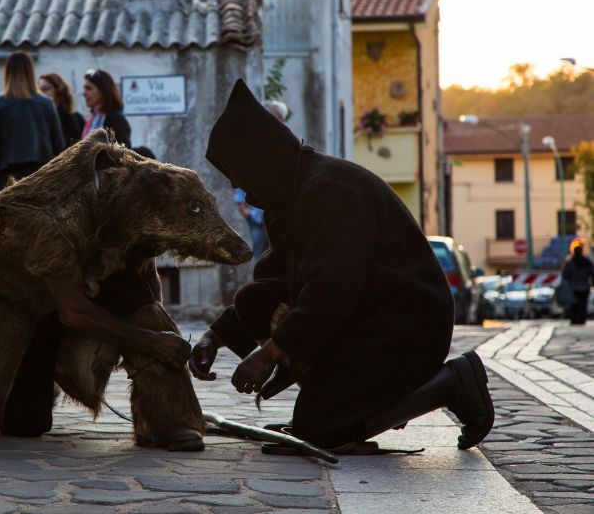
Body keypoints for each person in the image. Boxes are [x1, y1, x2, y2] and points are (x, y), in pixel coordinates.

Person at [189, 80, 495, 452]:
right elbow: (275, 286)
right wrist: (215, 337)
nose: (240, 187)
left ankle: (452, 381)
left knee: (320, 430)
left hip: (406, 328)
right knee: (256, 300)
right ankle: (342, 400)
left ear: (262, 161)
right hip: (364, 320)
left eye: (240, 175)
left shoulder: (330, 192)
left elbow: (330, 293)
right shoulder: (288, 202)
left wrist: (270, 353)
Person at [0, 52, 65, 230]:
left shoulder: (0, 104)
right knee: (39, 234)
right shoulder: (46, 103)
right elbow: (60, 148)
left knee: (4, 236)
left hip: (7, 180)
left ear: (8, 73)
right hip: (41, 179)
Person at [233, 100, 287, 260]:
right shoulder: (251, 142)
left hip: (278, 213)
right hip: (255, 215)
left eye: (278, 117)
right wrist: (242, 206)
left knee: (281, 255)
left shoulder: (285, 142)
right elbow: (240, 171)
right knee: (259, 256)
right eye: (275, 116)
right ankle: (260, 285)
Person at [80, 69, 131, 146]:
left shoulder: (115, 119)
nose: (84, 93)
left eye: (89, 88)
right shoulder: (91, 119)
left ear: (103, 92)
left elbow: (122, 154)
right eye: (84, 88)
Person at [39, 72, 84, 149]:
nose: (41, 93)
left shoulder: (74, 118)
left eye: (46, 89)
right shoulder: (37, 120)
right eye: (38, 90)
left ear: (59, 91)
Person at [561, 244, 593, 325]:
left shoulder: (570, 263)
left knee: (574, 305)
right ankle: (582, 319)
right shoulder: (587, 262)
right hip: (584, 287)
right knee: (583, 304)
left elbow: (565, 275)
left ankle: (574, 319)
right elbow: (591, 273)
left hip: (573, 288)